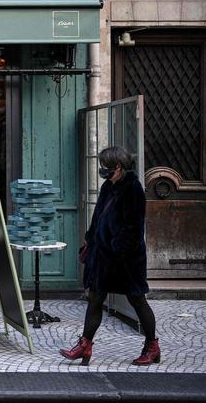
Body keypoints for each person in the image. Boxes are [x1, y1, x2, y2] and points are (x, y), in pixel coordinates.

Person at [60, 146, 159, 366]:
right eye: (101, 167)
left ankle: (152, 346)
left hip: (126, 260)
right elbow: (98, 218)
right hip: (103, 257)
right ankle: (84, 346)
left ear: (119, 167)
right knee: (95, 299)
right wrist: (91, 240)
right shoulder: (107, 186)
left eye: (106, 167)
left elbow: (133, 229)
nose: (103, 171)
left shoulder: (133, 189)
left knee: (137, 300)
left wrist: (116, 250)